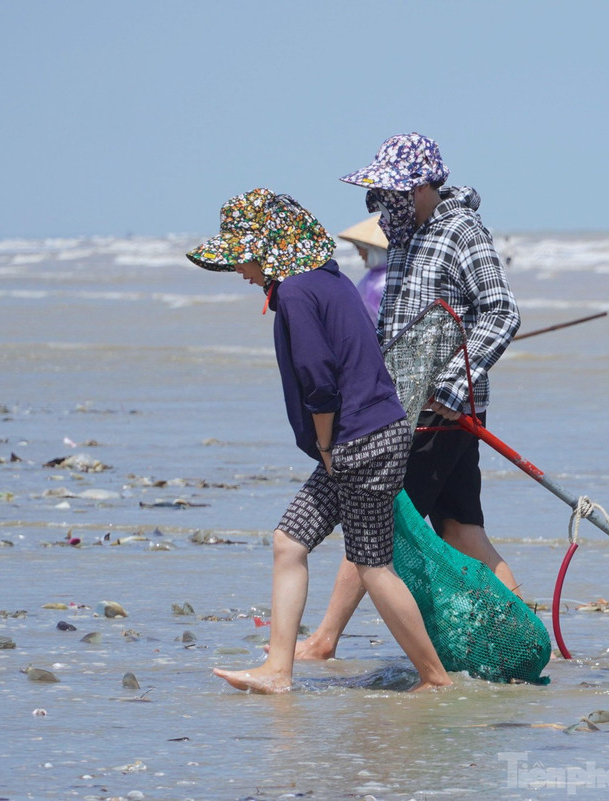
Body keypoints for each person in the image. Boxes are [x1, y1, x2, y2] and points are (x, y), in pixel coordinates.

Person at [186, 188, 451, 693]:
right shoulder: (327, 279)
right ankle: (278, 672)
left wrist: (327, 448)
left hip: (358, 443)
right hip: (369, 437)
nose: (241, 273)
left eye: (242, 259)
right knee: (289, 541)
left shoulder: (295, 293)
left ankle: (435, 679)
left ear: (267, 249)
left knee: (373, 565)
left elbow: (320, 381)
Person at [293, 132, 523, 661]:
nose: (381, 204)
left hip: (439, 412)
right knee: (461, 530)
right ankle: (522, 629)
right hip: (405, 405)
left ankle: (324, 640)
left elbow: (502, 311)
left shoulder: (461, 231)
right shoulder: (405, 234)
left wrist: (451, 386)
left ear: (422, 187)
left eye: (391, 191)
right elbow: (396, 323)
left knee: (373, 520)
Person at [337, 213, 389, 323]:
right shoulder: (373, 276)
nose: (360, 253)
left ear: (374, 250)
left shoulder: (383, 280)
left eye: (360, 248)